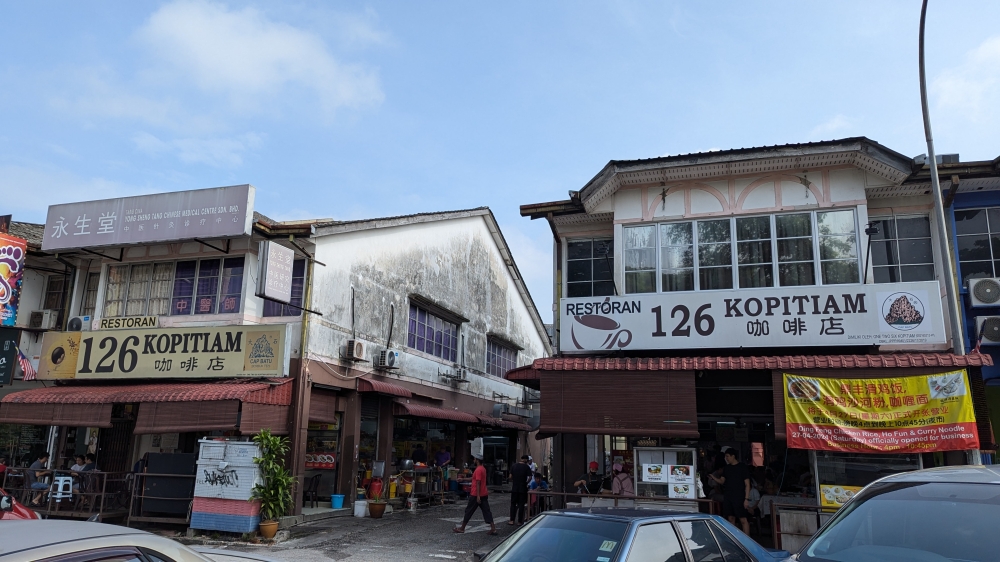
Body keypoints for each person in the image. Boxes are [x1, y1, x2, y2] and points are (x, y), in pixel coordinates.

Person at [709, 448, 751, 534]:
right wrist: (713, 478)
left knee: (743, 519)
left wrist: (746, 499)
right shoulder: (726, 468)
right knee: (731, 518)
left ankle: (748, 541)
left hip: (740, 496)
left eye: (727, 456)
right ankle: (734, 539)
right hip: (728, 495)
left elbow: (747, 484)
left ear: (733, 456)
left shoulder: (742, 467)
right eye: (726, 456)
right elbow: (722, 481)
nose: (726, 458)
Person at [453, 455, 497, 535]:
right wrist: (463, 479)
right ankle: (493, 528)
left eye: (474, 459)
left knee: (469, 511)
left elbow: (478, 482)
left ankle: (462, 528)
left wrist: (478, 496)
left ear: (477, 460)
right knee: (487, 511)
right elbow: (473, 478)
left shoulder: (479, 469)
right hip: (483, 493)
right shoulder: (482, 468)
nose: (473, 460)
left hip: (476, 494)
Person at [508, 455, 532, 526]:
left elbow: (510, 477)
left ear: (521, 459)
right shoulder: (526, 467)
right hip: (522, 489)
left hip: (514, 488)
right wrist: (526, 483)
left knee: (513, 504)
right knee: (521, 505)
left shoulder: (514, 466)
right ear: (526, 460)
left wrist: (514, 481)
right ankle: (519, 521)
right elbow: (530, 477)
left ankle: (512, 520)